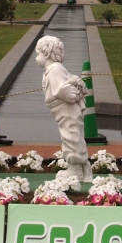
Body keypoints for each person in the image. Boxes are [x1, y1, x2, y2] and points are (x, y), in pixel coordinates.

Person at [37, 35, 91, 185]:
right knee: (70, 133)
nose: (37, 57)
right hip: (63, 110)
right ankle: (79, 167)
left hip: (67, 109)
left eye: (38, 54)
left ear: (47, 54)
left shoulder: (54, 69)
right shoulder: (53, 69)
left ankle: (76, 170)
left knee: (71, 134)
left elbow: (65, 92)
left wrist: (73, 91)